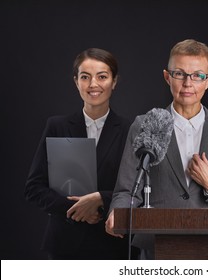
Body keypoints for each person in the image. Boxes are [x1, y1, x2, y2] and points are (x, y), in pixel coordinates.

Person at [105, 39, 208, 259]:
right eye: (180, 74)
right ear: (167, 76)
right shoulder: (145, 125)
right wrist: (118, 211)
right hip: (156, 251)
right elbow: (126, 191)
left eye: (198, 75)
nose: (188, 83)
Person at [25, 48, 130, 259]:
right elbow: (34, 188)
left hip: (113, 245)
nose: (93, 84)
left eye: (102, 76)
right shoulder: (57, 126)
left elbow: (137, 190)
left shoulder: (131, 130)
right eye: (85, 77)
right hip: (65, 244)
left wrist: (101, 199)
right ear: (76, 82)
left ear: (114, 82)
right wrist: (77, 209)